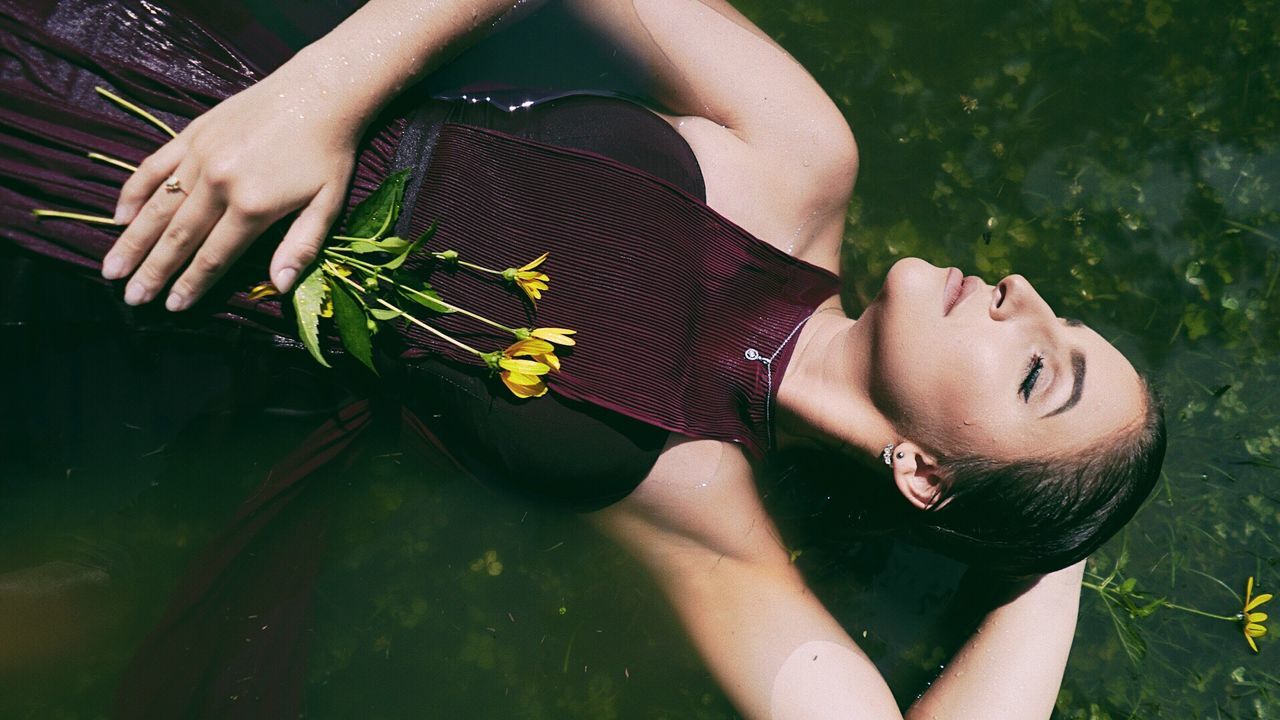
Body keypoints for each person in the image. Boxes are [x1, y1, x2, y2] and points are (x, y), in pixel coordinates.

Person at [0, 0, 1166, 718]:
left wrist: (1053, 550)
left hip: (120, 332)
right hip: (156, 84)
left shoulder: (708, 528)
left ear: (922, 472)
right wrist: (321, 97)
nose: (1023, 299)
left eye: (1037, 372)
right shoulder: (800, 154)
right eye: (1056, 319)